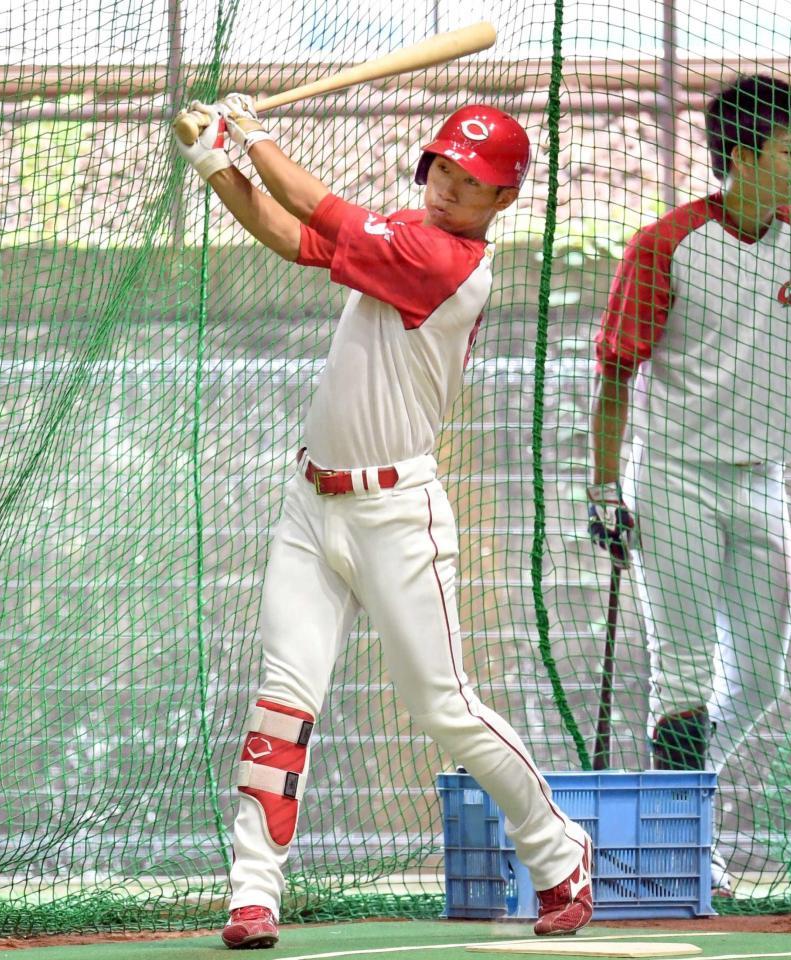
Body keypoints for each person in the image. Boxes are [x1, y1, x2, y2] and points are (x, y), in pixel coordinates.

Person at [171, 98, 593, 948]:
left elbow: (314, 206)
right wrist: (216, 163)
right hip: (310, 503)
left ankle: (557, 853)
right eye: (443, 169)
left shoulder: (444, 259)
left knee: (444, 708)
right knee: (281, 704)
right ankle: (252, 893)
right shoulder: (404, 230)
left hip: (398, 514)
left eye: (472, 184)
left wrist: (251, 133)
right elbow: (293, 238)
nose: (449, 191)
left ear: (498, 203)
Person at [586, 74, 791, 895]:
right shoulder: (665, 243)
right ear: (740, 157)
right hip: (672, 477)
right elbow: (615, 375)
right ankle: (683, 848)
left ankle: (671, 796)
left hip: (765, 480)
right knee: (678, 666)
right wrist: (605, 490)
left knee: (761, 680)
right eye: (788, 150)